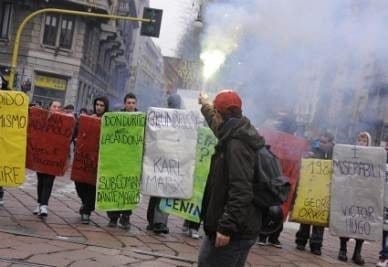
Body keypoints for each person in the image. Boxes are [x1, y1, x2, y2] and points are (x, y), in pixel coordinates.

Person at [197, 90, 264, 267]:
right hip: (239, 227)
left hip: (234, 231)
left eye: (216, 112)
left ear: (221, 114)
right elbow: (215, 124)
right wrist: (205, 105)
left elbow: (241, 191)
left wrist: (226, 227)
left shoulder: (236, 145)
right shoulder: (236, 129)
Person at [146, 93, 182, 234]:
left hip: (165, 160)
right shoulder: (169, 118)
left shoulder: (164, 118)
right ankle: (158, 222)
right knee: (161, 191)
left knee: (160, 191)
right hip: (165, 160)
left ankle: (156, 221)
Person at [295, 131, 335, 256]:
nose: (322, 144)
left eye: (325, 142)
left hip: (324, 190)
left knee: (319, 217)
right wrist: (307, 157)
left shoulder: (334, 153)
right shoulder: (313, 148)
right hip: (311, 187)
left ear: (330, 142)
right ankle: (301, 241)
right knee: (307, 213)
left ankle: (316, 245)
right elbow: (304, 162)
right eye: (320, 141)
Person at [336, 131, 371, 265]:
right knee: (347, 220)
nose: (361, 143)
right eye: (359, 140)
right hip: (349, 193)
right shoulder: (349, 154)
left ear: (368, 144)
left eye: (364, 141)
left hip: (365, 195)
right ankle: (343, 249)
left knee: (362, 223)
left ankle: (357, 252)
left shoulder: (372, 158)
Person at [74, 96, 109, 224]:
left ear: (106, 107)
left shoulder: (110, 121)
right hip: (85, 159)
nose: (99, 107)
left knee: (92, 187)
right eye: (97, 104)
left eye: (102, 105)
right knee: (79, 183)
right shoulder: (88, 119)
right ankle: (86, 203)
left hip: (100, 160)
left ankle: (86, 211)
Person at [106, 93, 137, 229]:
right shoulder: (116, 117)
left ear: (135, 104)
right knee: (115, 188)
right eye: (128, 103)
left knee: (129, 189)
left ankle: (125, 217)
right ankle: (113, 217)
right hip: (117, 159)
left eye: (133, 103)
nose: (130, 105)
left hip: (131, 161)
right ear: (124, 104)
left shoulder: (140, 119)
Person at [33, 100, 62, 217]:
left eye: (58, 107)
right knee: (41, 181)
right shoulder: (42, 119)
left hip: (54, 158)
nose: (56, 109)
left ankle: (44, 205)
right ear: (49, 107)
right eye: (54, 106)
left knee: (49, 181)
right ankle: (39, 202)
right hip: (41, 155)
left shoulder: (64, 122)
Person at [377, 136, 388, 267]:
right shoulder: (382, 157)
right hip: (384, 200)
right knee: (385, 230)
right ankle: (383, 255)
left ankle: (385, 255)